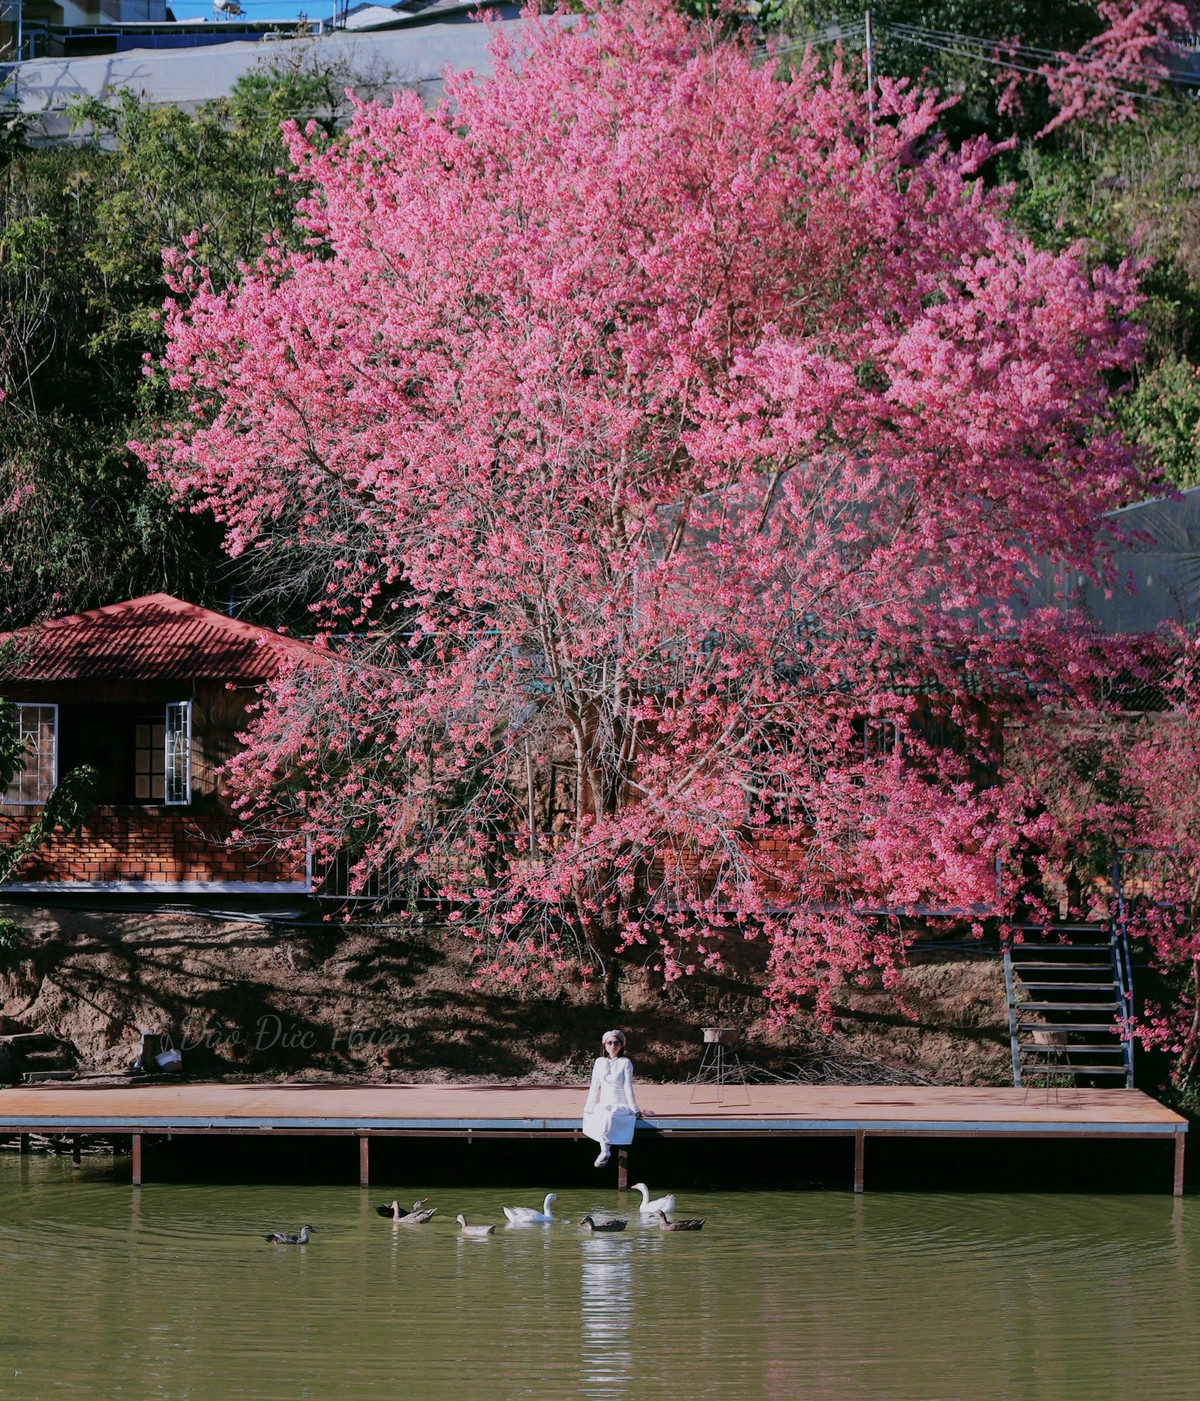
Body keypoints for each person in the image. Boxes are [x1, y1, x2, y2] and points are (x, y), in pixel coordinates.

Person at [582, 1030, 646, 1168]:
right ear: (604, 1045)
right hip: (604, 1103)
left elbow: (627, 1086)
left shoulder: (625, 1062)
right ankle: (605, 1151)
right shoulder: (599, 1062)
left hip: (620, 1104)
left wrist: (634, 1109)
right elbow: (594, 1086)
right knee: (599, 1114)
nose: (613, 1046)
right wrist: (589, 1106)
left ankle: (605, 1150)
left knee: (610, 1116)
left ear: (621, 1045)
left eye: (616, 1043)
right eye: (609, 1042)